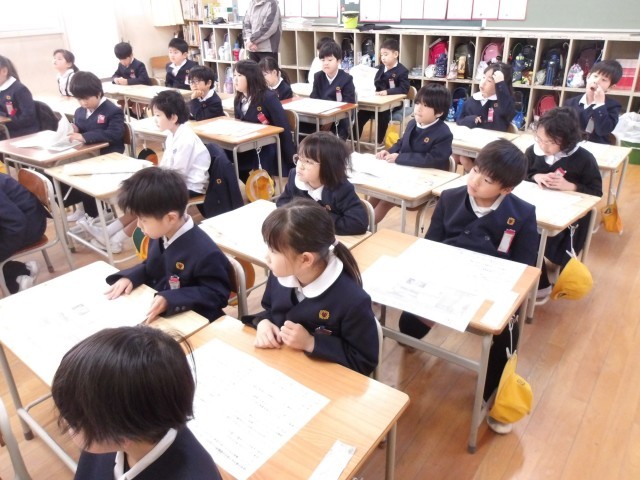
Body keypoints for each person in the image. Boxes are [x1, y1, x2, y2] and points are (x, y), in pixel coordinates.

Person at [398, 139, 538, 434]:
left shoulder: (523, 213)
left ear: (506, 189)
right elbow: (431, 245)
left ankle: (495, 395)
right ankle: (429, 318)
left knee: (505, 331)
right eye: (475, 171)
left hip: (492, 286)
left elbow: (524, 268)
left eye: (486, 180)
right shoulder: (450, 198)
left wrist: (499, 293)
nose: (474, 181)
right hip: (446, 276)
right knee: (407, 330)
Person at [51, 326, 223, 480]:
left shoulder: (196, 473)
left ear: (124, 436)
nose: (65, 422)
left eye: (73, 423)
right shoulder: (113, 420)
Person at [241, 199, 379, 376]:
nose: (266, 257)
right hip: (283, 368)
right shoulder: (282, 274)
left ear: (305, 259)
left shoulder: (352, 300)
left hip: (324, 379)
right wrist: (263, 323)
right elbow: (271, 310)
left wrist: (311, 343)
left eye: (274, 251)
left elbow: (363, 360)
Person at [80, 90, 211, 253]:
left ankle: (115, 240)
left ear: (173, 117)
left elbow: (177, 175)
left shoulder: (186, 139)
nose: (155, 119)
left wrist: (153, 178)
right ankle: (106, 232)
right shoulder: (173, 134)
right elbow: (167, 167)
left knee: (147, 202)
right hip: (175, 181)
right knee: (141, 195)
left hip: (188, 186)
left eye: (158, 115)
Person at [103, 168, 231, 322]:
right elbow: (151, 266)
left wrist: (172, 299)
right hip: (160, 312)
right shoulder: (161, 233)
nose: (138, 225)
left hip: (194, 320)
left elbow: (217, 294)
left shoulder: (206, 252)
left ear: (170, 218)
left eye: (143, 220)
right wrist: (130, 278)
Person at [525, 106, 602, 298]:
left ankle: (552, 271)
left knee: (548, 241)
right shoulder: (533, 151)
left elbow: (596, 192)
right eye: (540, 139)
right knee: (521, 231)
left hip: (569, 219)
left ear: (567, 140)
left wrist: (572, 187)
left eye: (550, 142)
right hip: (538, 208)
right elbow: (521, 175)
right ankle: (540, 281)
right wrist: (535, 177)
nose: (543, 146)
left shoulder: (584, 159)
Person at [373, 84, 453, 223]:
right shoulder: (412, 123)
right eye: (417, 103)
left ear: (439, 112)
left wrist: (400, 158)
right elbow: (401, 143)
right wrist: (388, 152)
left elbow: (432, 159)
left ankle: (362, 228)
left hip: (425, 183)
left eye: (426, 105)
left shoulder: (444, 133)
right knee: (376, 192)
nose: (419, 108)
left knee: (387, 199)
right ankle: (358, 222)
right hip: (406, 175)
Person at [276, 132, 368, 235]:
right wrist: (304, 217)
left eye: (308, 162)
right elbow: (282, 203)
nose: (300, 166)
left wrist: (315, 219)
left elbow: (358, 223)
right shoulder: (295, 177)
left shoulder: (341, 189)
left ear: (328, 167)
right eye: (299, 159)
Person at [62, 71, 125, 222]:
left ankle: (94, 213)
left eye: (86, 98)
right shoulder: (80, 111)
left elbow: (115, 134)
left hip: (108, 153)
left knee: (82, 172)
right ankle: (82, 207)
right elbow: (81, 127)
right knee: (64, 168)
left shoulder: (113, 110)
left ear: (98, 93)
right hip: (88, 152)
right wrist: (74, 129)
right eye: (79, 99)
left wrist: (84, 136)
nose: (83, 103)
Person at [233, 59, 294, 179]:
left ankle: (264, 184)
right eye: (234, 75)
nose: (235, 79)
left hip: (266, 146)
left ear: (251, 77)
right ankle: (251, 184)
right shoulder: (238, 99)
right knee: (226, 155)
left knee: (263, 153)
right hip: (246, 144)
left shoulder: (268, 97)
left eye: (239, 75)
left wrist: (291, 157)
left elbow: (283, 127)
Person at [455, 62, 516, 172]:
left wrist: (500, 84)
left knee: (466, 159)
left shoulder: (503, 102)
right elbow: (459, 119)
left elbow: (508, 112)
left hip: (493, 151)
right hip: (471, 145)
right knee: (456, 155)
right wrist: (470, 120)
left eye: (489, 81)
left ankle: (479, 177)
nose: (483, 83)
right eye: (483, 77)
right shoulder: (473, 100)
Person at [357, 38, 410, 145]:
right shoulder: (379, 68)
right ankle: (354, 140)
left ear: (395, 54)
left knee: (383, 114)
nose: (383, 58)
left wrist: (387, 92)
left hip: (393, 103)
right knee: (361, 114)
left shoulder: (402, 71)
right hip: (376, 101)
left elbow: (404, 89)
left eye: (386, 54)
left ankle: (379, 141)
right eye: (381, 55)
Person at [0, 173, 45, 294]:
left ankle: (17, 277)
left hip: (28, 227)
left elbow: (15, 223)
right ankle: (22, 271)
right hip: (17, 220)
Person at [564, 59, 623, 144]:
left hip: (598, 147)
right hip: (573, 146)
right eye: (595, 76)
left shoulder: (613, 106)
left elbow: (602, 131)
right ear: (588, 77)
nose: (597, 81)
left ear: (610, 87)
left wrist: (600, 105)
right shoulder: (570, 103)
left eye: (604, 80)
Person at [308, 41, 356, 140]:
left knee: (335, 134)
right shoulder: (318, 76)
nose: (325, 63)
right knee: (304, 126)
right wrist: (324, 118)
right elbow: (313, 99)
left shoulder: (346, 79)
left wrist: (330, 119)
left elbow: (348, 104)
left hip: (340, 117)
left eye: (330, 60)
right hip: (321, 115)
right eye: (323, 60)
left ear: (338, 61)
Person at [0, 55, 38, 139]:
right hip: (6, 130)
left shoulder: (20, 90)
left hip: (22, 133)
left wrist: (6, 120)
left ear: (4, 71)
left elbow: (28, 118)